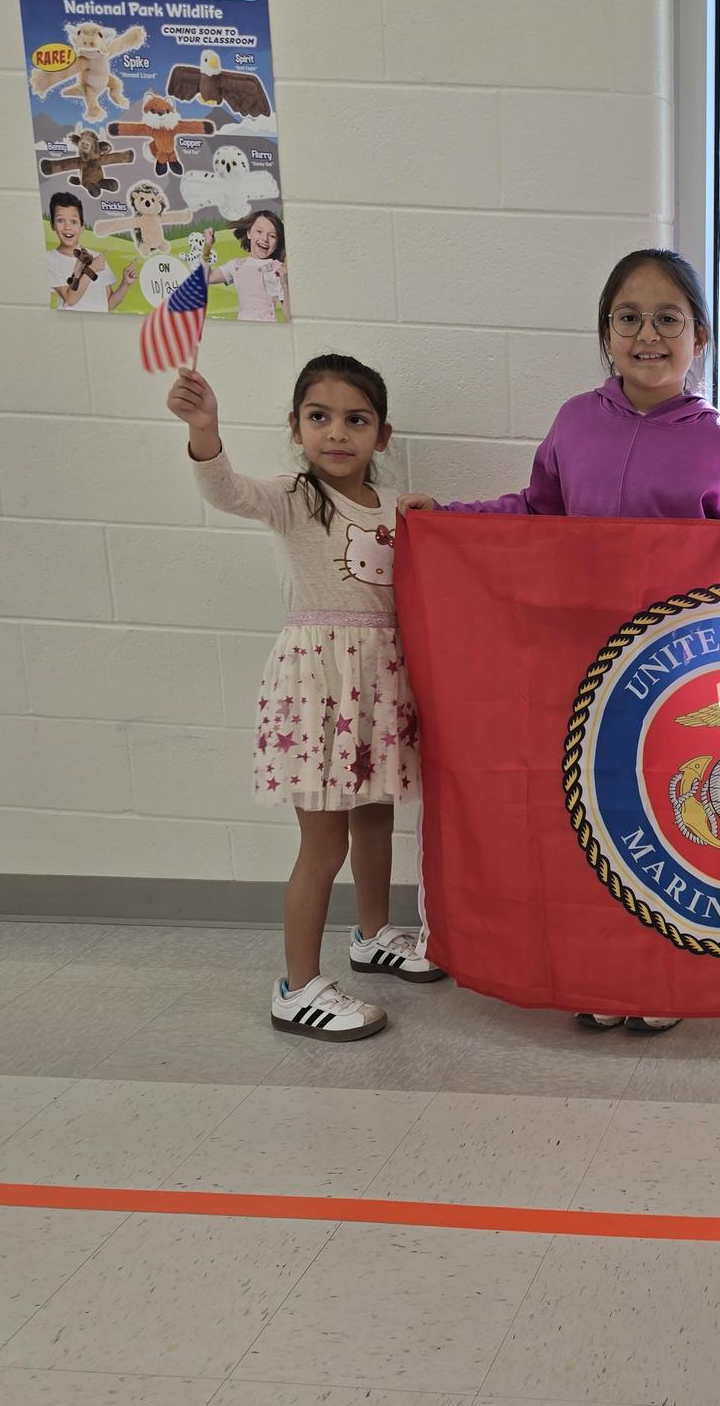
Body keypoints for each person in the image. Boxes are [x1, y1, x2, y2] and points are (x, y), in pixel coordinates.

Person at [399, 247, 720, 1033]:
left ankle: (661, 980)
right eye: (628, 318)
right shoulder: (575, 422)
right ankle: (601, 972)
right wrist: (449, 519)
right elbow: (537, 512)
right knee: (591, 820)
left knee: (665, 823)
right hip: (582, 665)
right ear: (605, 333)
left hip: (673, 678)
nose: (647, 335)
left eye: (667, 319)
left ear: (699, 337)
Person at [167, 355, 442, 1043]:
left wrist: (434, 519)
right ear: (295, 427)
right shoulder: (294, 496)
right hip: (319, 690)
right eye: (320, 417)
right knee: (322, 844)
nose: (337, 432)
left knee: (375, 817)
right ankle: (297, 986)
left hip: (378, 685)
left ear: (383, 435)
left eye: (356, 419)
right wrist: (204, 428)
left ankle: (373, 935)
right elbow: (225, 490)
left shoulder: (394, 506)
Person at [47, 192, 135, 311]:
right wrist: (92, 268)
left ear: (82, 227)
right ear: (52, 225)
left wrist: (126, 283)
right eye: (60, 220)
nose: (67, 227)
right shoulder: (50, 259)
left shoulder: (97, 257)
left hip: (98, 322)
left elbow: (109, 304)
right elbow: (70, 299)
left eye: (73, 222)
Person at [210, 208, 287, 323]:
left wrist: (285, 285)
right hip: (243, 328)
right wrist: (207, 247)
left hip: (267, 328)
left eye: (272, 236)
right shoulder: (237, 265)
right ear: (249, 233)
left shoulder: (277, 269)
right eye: (259, 231)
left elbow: (289, 318)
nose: (264, 239)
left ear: (277, 243)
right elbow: (207, 277)